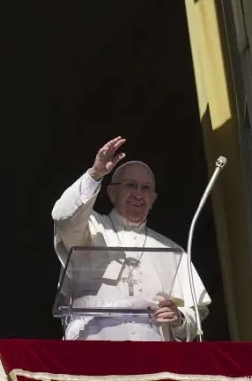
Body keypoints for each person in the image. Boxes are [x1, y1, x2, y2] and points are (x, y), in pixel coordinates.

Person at [52, 136, 211, 341]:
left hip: (154, 359)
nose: (138, 193)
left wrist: (179, 318)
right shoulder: (90, 228)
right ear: (112, 193)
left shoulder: (172, 250)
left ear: (152, 200)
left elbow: (196, 314)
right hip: (94, 352)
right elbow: (63, 217)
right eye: (130, 185)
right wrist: (95, 174)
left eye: (145, 188)